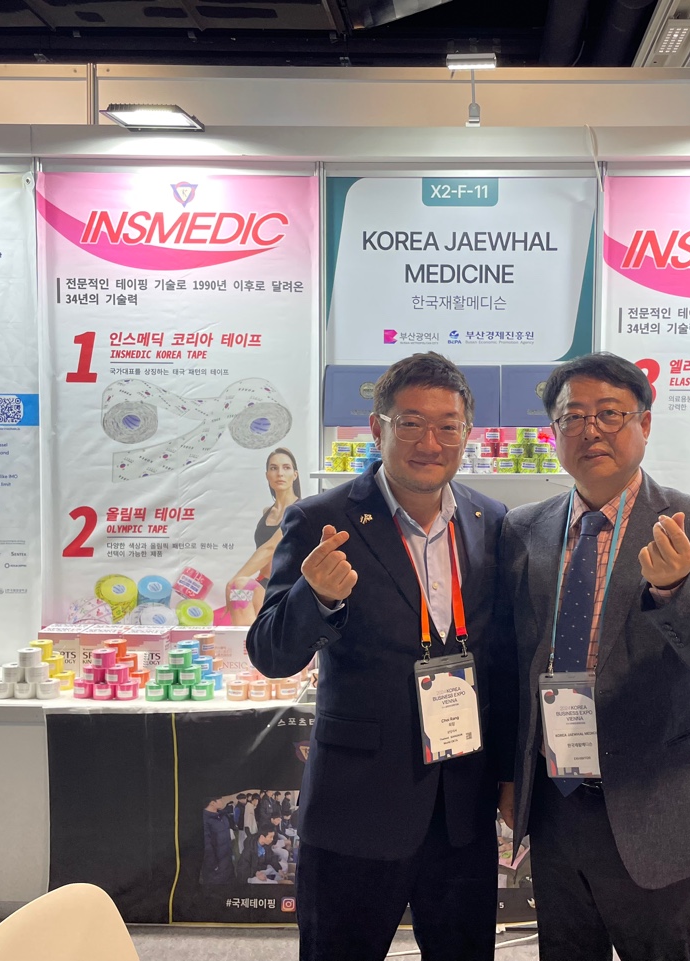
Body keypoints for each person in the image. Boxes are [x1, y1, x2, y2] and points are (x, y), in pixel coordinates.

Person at [248, 352, 511, 961]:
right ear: (377, 427)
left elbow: (499, 657)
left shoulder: (490, 520)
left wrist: (507, 774)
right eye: (410, 423)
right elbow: (270, 653)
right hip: (357, 805)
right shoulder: (321, 519)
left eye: (448, 426)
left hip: (461, 806)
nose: (430, 442)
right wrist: (316, 598)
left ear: (467, 433)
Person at [497, 352, 690, 961]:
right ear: (554, 432)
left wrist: (678, 589)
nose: (591, 430)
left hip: (656, 801)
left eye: (610, 413)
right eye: (573, 417)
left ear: (644, 424)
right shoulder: (524, 529)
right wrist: (511, 776)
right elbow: (515, 663)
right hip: (557, 802)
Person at [226, 448, 302, 627]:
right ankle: (247, 643)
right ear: (267, 475)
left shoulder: (300, 510)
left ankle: (250, 644)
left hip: (286, 589)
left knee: (239, 585)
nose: (280, 473)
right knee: (240, 589)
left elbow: (270, 548)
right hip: (263, 584)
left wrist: (232, 582)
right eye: (274, 468)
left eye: (286, 467)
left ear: (295, 474)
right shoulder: (267, 512)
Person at [200, 797, 235, 886]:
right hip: (216, 864)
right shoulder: (205, 820)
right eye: (220, 800)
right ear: (212, 803)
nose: (222, 801)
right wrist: (213, 864)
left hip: (227, 859)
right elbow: (207, 845)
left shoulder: (222, 815)